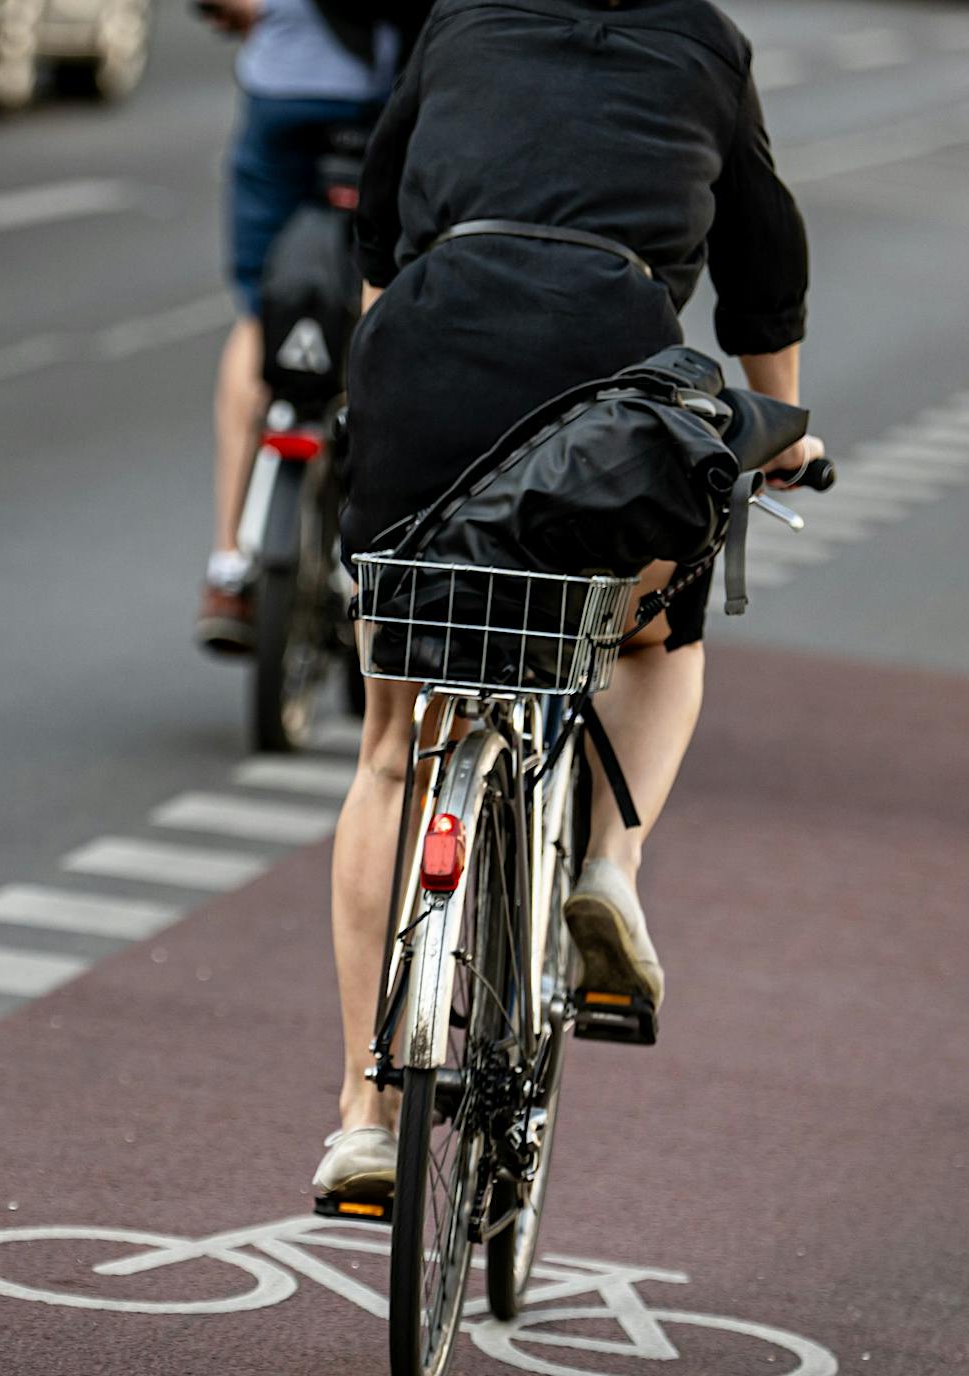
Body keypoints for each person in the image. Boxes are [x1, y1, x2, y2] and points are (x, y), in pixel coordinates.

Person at [313, 0, 816, 1205]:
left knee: (392, 748)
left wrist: (390, 368)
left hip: (425, 353)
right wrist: (780, 428)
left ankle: (366, 1116)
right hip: (606, 377)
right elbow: (762, 256)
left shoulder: (458, 17)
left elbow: (380, 213)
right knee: (651, 634)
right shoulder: (701, 42)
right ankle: (605, 865)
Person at [194, 0, 405, 654]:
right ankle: (369, 563)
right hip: (387, 100)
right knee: (387, 308)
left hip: (282, 96)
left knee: (261, 313)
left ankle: (229, 564)